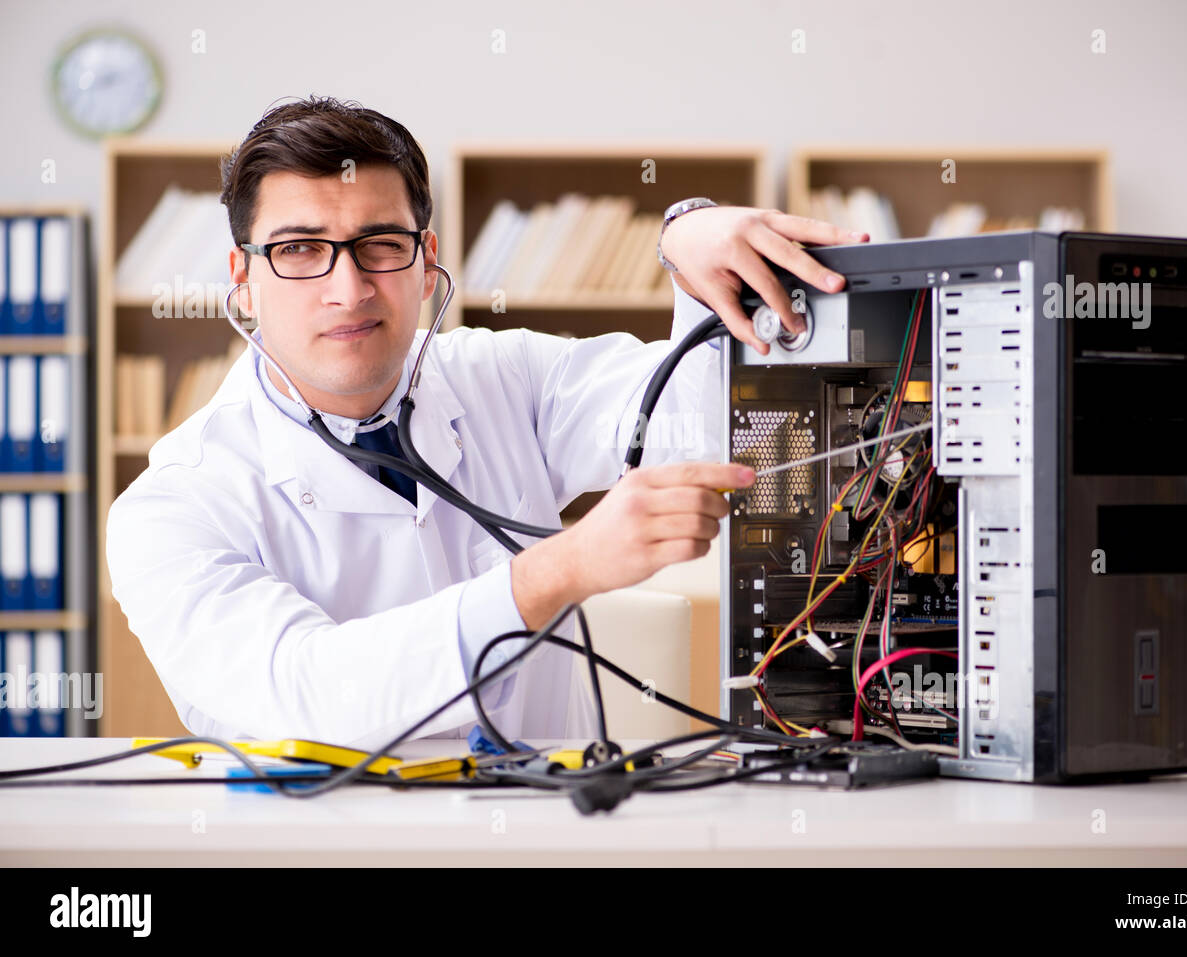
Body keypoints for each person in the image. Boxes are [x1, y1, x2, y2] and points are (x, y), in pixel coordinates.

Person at [105, 96, 866, 750]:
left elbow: (699, 432)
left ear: (426, 259)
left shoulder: (504, 376)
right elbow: (305, 694)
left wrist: (691, 249)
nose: (349, 287)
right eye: (301, 249)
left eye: (380, 245)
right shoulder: (173, 505)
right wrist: (556, 572)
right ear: (243, 281)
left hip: (547, 834)